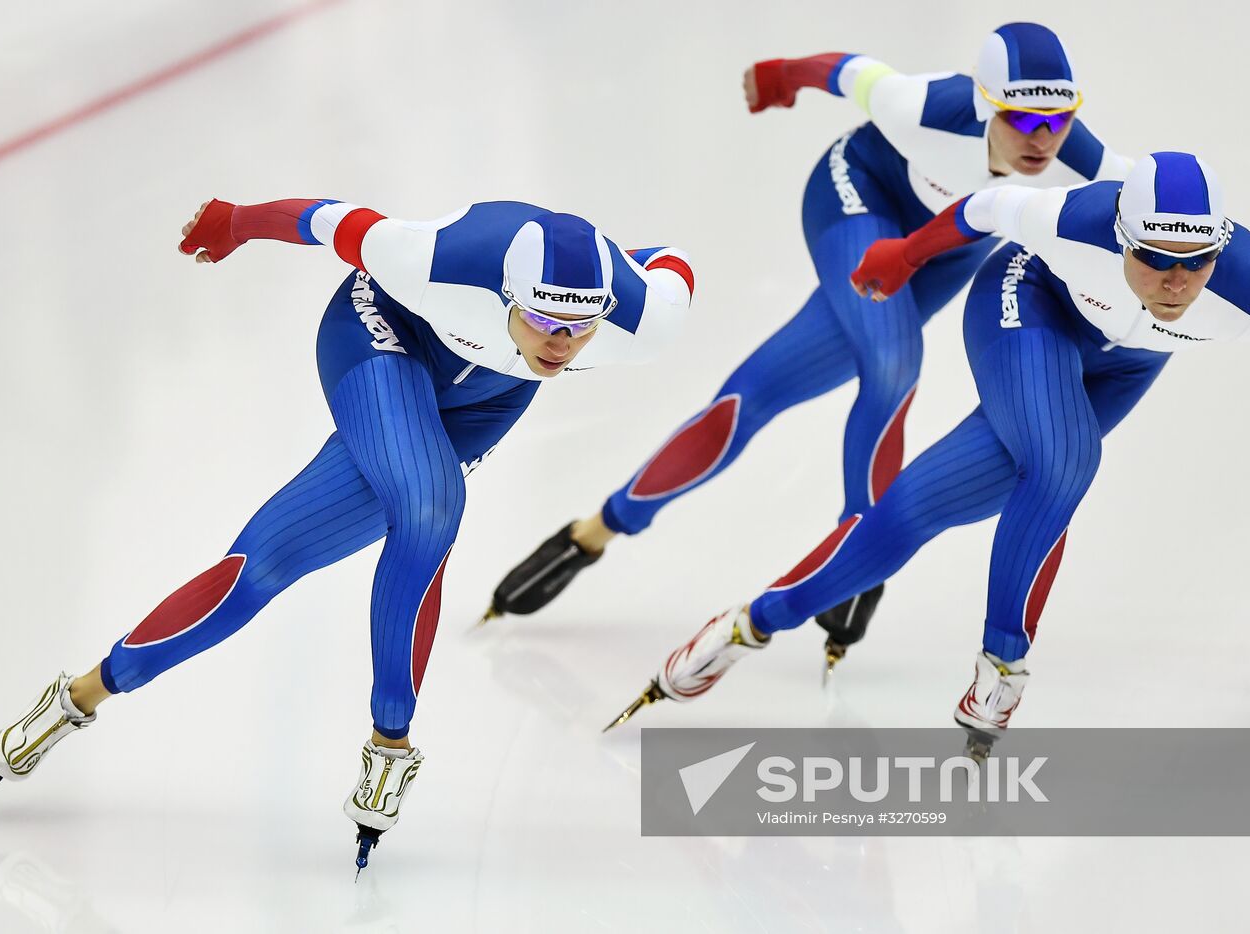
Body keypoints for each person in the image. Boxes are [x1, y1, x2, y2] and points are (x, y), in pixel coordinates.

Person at [0, 196, 695, 874]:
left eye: (577, 328)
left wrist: (635, 260)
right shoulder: (434, 259)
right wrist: (235, 222)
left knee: (267, 563)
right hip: (380, 335)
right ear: (506, 295)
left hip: (486, 400)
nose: (561, 344)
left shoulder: (640, 323)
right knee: (430, 507)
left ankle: (78, 695)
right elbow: (327, 218)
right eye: (541, 321)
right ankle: (390, 745)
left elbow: (672, 264)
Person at [483, 23, 1129, 674]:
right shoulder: (922, 106)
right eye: (1022, 117)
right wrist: (779, 75)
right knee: (894, 364)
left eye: (1059, 118)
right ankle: (861, 544)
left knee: (761, 390)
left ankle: (594, 530)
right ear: (987, 102)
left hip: (943, 248)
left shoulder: (1086, 162)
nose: (1043, 139)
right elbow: (849, 69)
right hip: (859, 196)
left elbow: (1161, 211)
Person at [604, 152, 1250, 757]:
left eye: (1195, 262)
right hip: (1028, 304)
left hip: (1125, 367)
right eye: (1153, 259)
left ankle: (750, 623)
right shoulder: (1072, 220)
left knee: (911, 511)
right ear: (1119, 235)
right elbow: (984, 206)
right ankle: (1003, 669)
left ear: (1220, 247)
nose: (1175, 280)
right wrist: (905, 254)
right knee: (1063, 464)